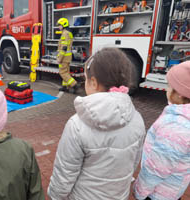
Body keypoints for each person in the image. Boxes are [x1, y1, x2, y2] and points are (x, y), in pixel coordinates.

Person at [48, 48, 146, 200]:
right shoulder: (137, 119)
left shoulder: (77, 125)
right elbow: (133, 162)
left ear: (93, 82)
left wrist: (55, 196)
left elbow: (65, 173)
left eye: (85, 79)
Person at [133, 61, 190, 200]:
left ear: (181, 94)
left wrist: (139, 192)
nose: (167, 89)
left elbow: (157, 169)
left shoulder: (176, 127)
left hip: (157, 193)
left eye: (170, 86)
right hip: (174, 189)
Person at [57, 18, 79, 93]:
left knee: (62, 72)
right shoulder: (69, 33)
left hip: (64, 57)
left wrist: (60, 58)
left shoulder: (64, 34)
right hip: (68, 57)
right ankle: (65, 87)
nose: (58, 27)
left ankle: (74, 84)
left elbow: (64, 47)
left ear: (64, 25)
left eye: (60, 25)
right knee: (66, 72)